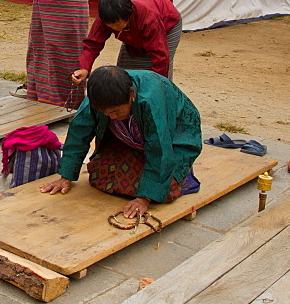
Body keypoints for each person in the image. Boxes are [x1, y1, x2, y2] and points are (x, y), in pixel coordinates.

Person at [40, 66, 202, 219]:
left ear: (131, 94)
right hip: (132, 137)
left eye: (116, 111)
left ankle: (177, 173)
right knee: (100, 177)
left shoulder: (151, 99)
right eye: (106, 113)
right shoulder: (97, 98)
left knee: (165, 191)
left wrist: (144, 199)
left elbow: (159, 146)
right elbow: (79, 132)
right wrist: (66, 176)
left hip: (175, 137)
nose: (112, 117)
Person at [72, 0, 182, 85]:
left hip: (167, 23)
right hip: (134, 32)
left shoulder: (149, 18)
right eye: (110, 26)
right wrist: (85, 68)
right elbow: (93, 43)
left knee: (157, 75)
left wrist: (157, 85)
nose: (114, 28)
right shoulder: (106, 16)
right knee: (126, 73)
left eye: (117, 24)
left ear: (128, 15)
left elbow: (160, 56)